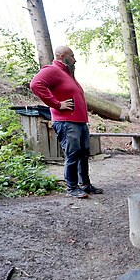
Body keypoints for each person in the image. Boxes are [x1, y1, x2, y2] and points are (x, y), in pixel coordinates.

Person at [30, 46, 103, 199]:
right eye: (72, 56)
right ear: (62, 56)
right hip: (66, 122)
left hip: (79, 122)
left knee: (83, 154)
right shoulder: (53, 70)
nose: (75, 59)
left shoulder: (67, 74)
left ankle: (85, 185)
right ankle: (72, 187)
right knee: (73, 154)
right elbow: (36, 84)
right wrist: (57, 104)